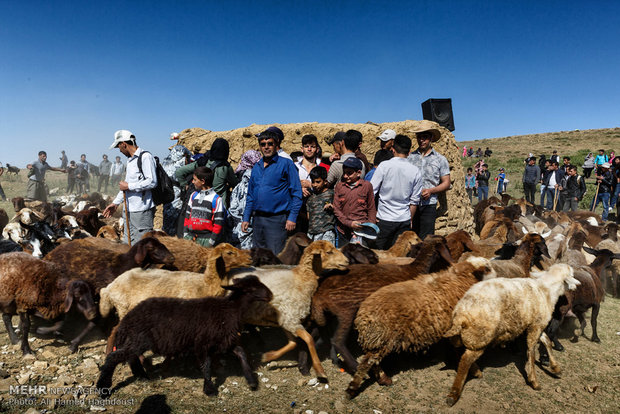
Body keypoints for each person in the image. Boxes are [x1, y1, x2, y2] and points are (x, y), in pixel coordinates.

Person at [241, 130, 303, 255]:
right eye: (263, 144)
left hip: (277, 219)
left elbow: (297, 193)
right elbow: (251, 195)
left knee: (275, 257)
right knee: (258, 256)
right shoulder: (256, 167)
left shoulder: (286, 164)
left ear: (276, 145)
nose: (266, 147)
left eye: (270, 144)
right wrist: (246, 217)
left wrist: (292, 218)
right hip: (258, 219)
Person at [103, 130, 157, 245]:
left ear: (123, 144)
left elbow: (152, 181)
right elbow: (125, 187)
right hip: (128, 210)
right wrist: (116, 203)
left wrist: (129, 186)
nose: (120, 151)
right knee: (128, 243)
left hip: (141, 210)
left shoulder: (145, 157)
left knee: (142, 245)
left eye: (119, 148)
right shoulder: (130, 161)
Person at [370, 134, 422, 250]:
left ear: (393, 149)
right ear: (409, 152)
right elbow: (414, 201)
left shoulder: (384, 166)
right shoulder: (415, 171)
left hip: (384, 219)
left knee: (380, 255)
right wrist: (410, 219)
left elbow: (371, 191)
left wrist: (373, 213)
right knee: (399, 256)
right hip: (403, 220)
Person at [407, 121, 450, 240]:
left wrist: (431, 191)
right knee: (411, 237)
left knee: (426, 239)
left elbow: (446, 182)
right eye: (419, 137)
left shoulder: (440, 159)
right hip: (411, 204)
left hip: (429, 205)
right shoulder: (410, 158)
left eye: (425, 137)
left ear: (431, 138)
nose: (421, 140)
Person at [333, 157, 376, 246]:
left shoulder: (367, 186)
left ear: (358, 173)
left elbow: (371, 208)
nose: (345, 176)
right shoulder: (339, 186)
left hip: (362, 231)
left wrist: (370, 226)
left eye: (349, 173)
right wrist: (349, 223)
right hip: (344, 231)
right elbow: (336, 209)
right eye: (344, 173)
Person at [182, 167, 225, 247]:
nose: (192, 182)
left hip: (206, 240)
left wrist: (211, 241)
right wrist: (185, 234)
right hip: (190, 238)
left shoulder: (216, 199)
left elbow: (218, 223)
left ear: (202, 181)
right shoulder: (193, 196)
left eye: (195, 180)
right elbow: (187, 216)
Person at [229, 150, 262, 249]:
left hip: (239, 225)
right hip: (252, 224)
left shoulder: (241, 184)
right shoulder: (259, 180)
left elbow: (233, 207)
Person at [161, 144, 192, 236]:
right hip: (176, 199)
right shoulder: (177, 166)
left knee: (167, 224)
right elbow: (179, 177)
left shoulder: (166, 163)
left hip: (167, 198)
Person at [306, 166, 336, 244]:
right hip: (312, 234)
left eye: (318, 182)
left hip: (326, 232)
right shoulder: (311, 197)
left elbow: (339, 209)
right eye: (313, 182)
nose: (315, 185)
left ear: (325, 181)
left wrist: (332, 208)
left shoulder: (331, 194)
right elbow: (308, 216)